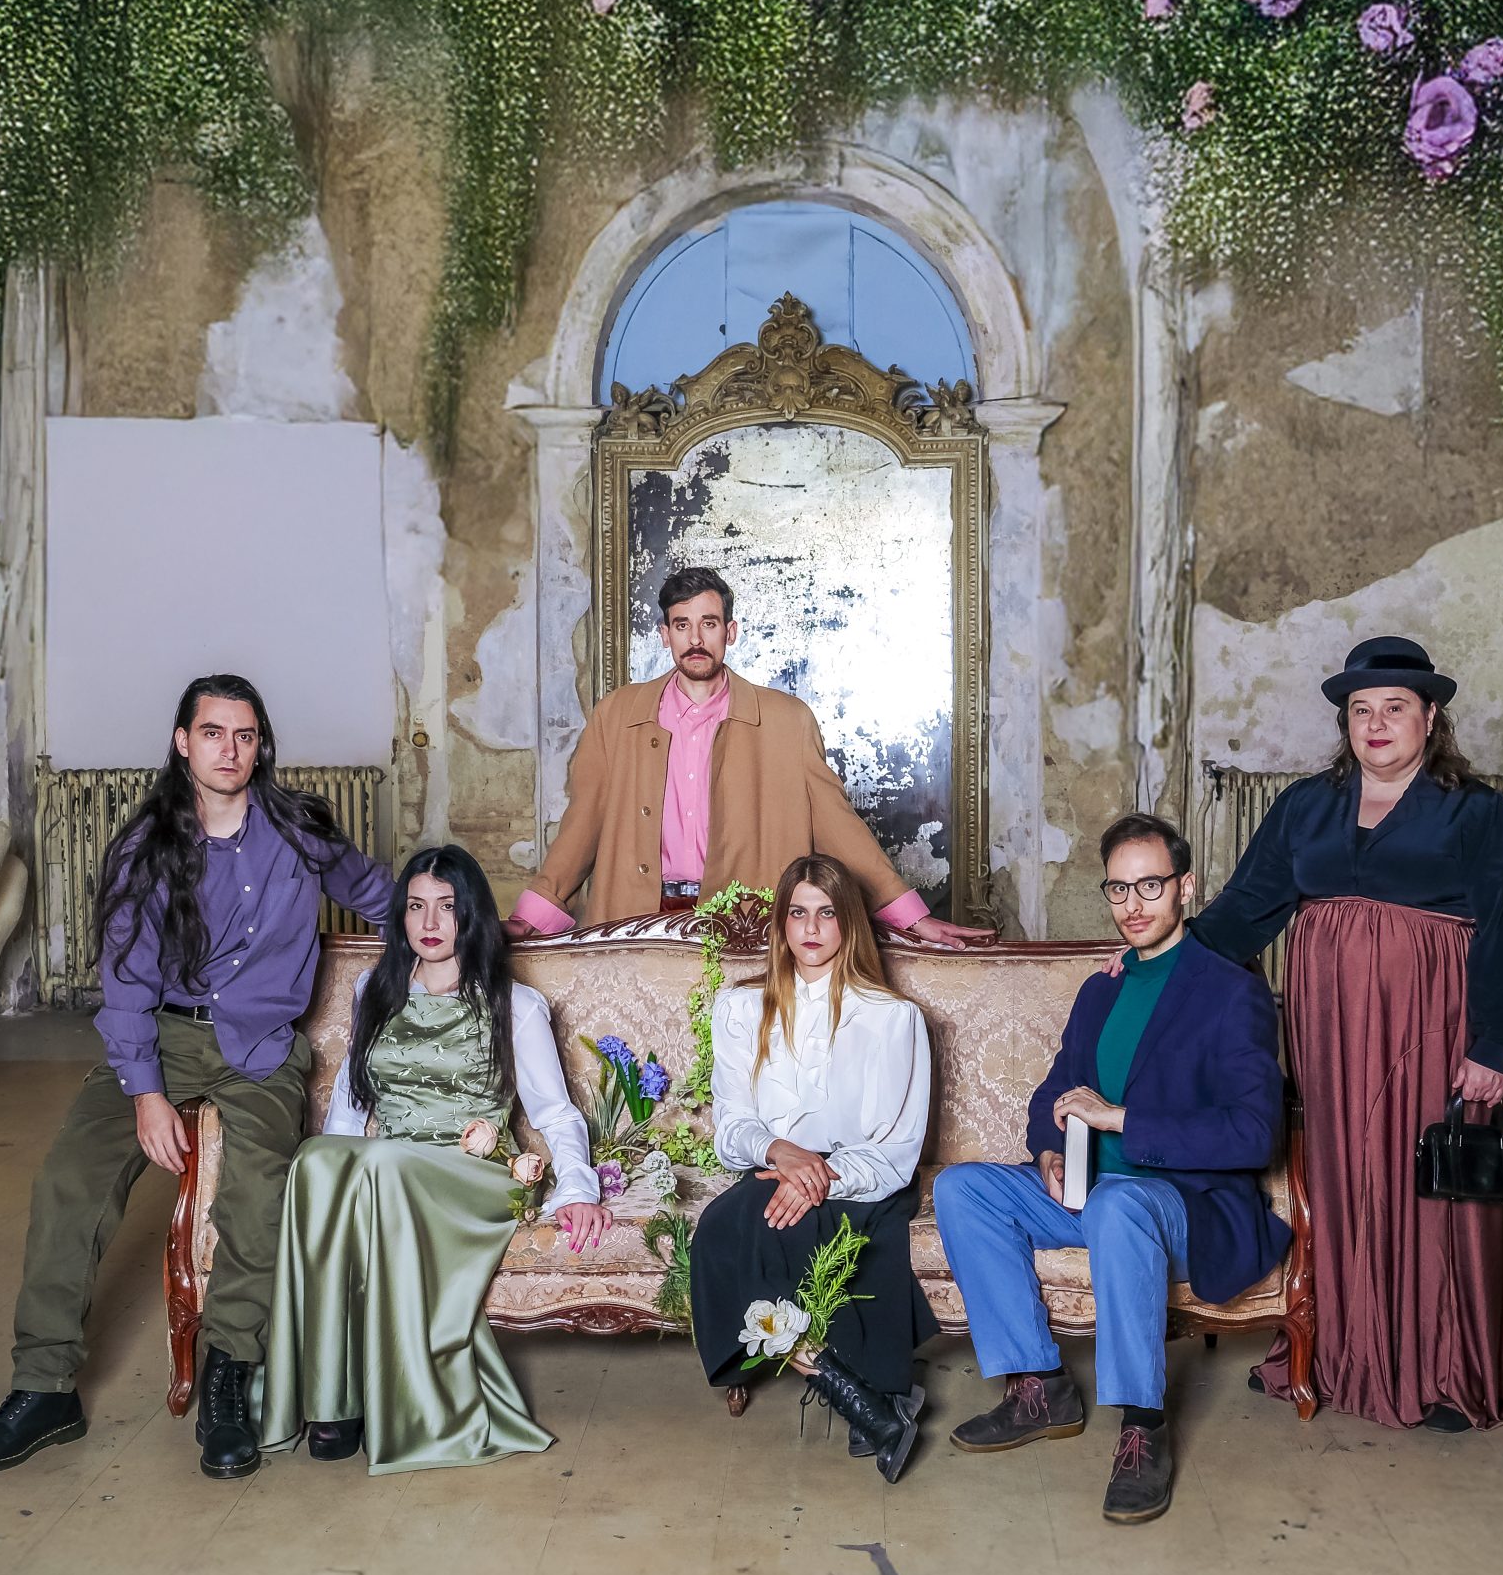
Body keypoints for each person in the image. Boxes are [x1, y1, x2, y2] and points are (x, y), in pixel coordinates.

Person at [0, 674, 400, 1481]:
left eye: (245, 735)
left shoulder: (300, 831)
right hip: (160, 1036)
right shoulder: (147, 845)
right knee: (69, 1179)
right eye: (213, 732)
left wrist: (466, 920)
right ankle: (43, 1386)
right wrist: (147, 1094)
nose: (230, 749)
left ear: (260, 746)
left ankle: (228, 1377)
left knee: (259, 1192)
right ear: (182, 742)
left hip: (261, 1046)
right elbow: (126, 979)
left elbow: (381, 894)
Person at [1188, 635, 1503, 1432]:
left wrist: (1492, 1044)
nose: (1376, 724)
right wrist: (1158, 959)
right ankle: (1332, 1351)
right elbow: (1242, 911)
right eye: (1360, 710)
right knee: (1337, 1177)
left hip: (1431, 1025)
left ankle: (1444, 1371)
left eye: (1394, 708)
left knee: (1427, 1182)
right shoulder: (1305, 806)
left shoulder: (1479, 814)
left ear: (1431, 716)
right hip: (1331, 1034)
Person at [932, 813, 1288, 1525]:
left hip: (1180, 1203)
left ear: (1186, 887)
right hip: (1090, 1191)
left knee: (1119, 1207)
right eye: (1119, 888)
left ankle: (1142, 1427)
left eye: (1151, 885)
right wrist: (1049, 1152)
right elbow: (1053, 1092)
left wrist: (1121, 1119)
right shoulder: (1101, 989)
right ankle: (1041, 1386)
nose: (1133, 904)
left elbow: (1254, 1133)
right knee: (962, 1187)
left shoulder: (1230, 992)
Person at [256, 844, 609, 1474]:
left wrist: (577, 1188)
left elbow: (556, 1114)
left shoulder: (513, 1004)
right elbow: (351, 1104)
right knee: (316, 1160)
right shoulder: (375, 990)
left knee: (381, 1165)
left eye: (446, 906)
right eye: (416, 906)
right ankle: (330, 1395)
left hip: (474, 1173)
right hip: (389, 1170)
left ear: (470, 914)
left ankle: (388, 1403)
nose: (430, 922)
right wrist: (333, 1166)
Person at [504, 566, 992, 948]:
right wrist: (533, 916)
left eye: (709, 623)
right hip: (635, 921)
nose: (696, 639)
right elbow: (582, 825)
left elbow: (839, 828)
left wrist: (912, 917)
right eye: (682, 625)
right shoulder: (616, 716)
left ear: (730, 631)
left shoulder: (787, 721)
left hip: (746, 925)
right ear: (665, 634)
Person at [689, 854, 937, 1481]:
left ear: (849, 922)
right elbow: (733, 1126)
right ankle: (867, 1399)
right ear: (781, 923)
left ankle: (867, 1396)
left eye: (827, 913)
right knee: (719, 1229)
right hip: (772, 1166)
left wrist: (820, 1175)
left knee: (780, 1226)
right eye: (797, 913)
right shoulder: (740, 1008)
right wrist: (781, 1153)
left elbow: (897, 1149)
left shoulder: (893, 1017)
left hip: (865, 1174)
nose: (811, 928)